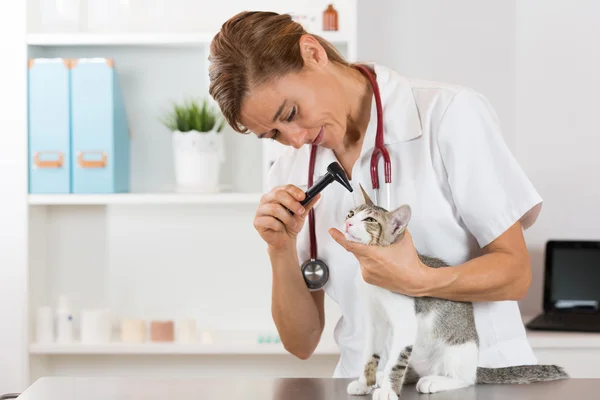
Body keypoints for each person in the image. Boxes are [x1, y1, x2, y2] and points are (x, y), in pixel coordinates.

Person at [208, 11, 542, 378]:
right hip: (368, 381)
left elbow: (515, 273)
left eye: (290, 112)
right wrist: (280, 248)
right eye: (273, 134)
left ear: (313, 52)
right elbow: (301, 343)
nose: (295, 138)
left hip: (474, 377)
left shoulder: (445, 114)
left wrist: (423, 281)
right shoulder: (290, 170)